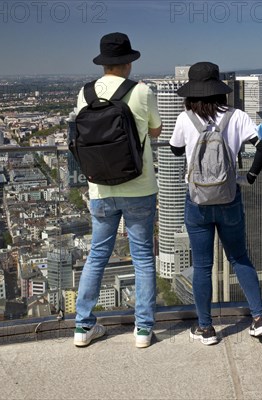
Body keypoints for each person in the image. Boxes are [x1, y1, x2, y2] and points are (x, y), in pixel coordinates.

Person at [169, 62, 262, 345]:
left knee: (202, 266)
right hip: (229, 198)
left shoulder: (185, 117)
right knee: (239, 258)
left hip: (197, 201)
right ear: (220, 91)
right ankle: (259, 319)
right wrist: (249, 177)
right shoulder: (236, 116)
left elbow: (176, 149)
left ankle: (206, 328)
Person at [73, 32, 162, 348]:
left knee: (97, 255)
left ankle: (83, 327)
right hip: (138, 185)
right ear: (127, 62)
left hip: (99, 187)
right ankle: (143, 330)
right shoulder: (142, 91)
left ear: (103, 63)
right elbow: (156, 129)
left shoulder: (84, 94)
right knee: (142, 257)